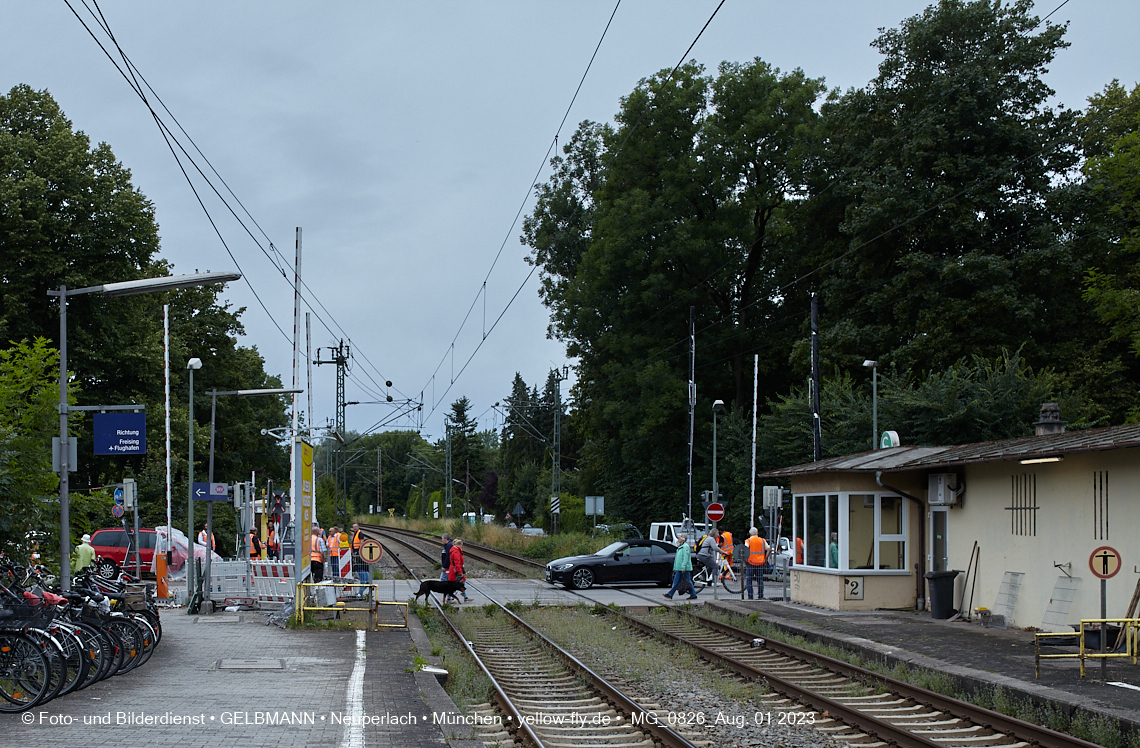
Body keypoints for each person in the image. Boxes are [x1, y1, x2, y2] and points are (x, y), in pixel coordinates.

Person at [664, 533, 698, 600]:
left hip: (683, 568)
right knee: (677, 581)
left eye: (679, 538)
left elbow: (685, 558)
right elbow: (678, 559)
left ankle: (693, 594)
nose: (678, 539)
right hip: (679, 568)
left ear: (682, 539)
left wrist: (683, 567)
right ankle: (670, 594)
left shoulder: (685, 547)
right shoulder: (681, 546)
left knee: (687, 581)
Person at [744, 527, 768, 600]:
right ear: (757, 533)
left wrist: (745, 560)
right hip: (760, 563)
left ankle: (750, 596)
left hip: (750, 563)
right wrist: (765, 558)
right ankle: (760, 596)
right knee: (760, 580)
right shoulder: (762, 540)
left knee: (749, 580)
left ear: (750, 533)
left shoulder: (748, 541)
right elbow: (769, 549)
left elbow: (744, 550)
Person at [448, 538, 470, 602]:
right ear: (458, 544)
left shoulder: (454, 550)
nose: (462, 546)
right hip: (456, 571)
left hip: (454, 570)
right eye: (461, 545)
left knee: (458, 583)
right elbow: (457, 562)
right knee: (458, 583)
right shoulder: (456, 552)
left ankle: (465, 597)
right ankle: (450, 597)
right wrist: (460, 571)